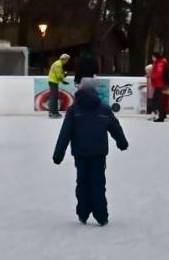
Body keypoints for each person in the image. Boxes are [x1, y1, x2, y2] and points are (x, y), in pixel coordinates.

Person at [53, 78, 129, 225]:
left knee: (82, 183)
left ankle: (83, 213)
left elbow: (65, 133)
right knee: (98, 183)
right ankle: (101, 216)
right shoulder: (104, 109)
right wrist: (122, 142)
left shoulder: (73, 110)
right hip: (98, 154)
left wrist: (58, 154)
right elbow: (115, 127)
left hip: (80, 154)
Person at [46, 53, 70, 118]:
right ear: (64, 59)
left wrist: (63, 80)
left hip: (54, 81)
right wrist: (64, 77)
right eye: (67, 60)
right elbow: (59, 75)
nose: (67, 62)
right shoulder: (58, 65)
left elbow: (59, 75)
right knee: (53, 98)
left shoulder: (59, 63)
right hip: (53, 82)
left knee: (54, 97)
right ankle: (53, 113)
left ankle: (54, 112)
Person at [150, 52, 169, 123]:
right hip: (160, 84)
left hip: (159, 84)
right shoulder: (159, 63)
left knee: (157, 101)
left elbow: (158, 73)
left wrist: (151, 77)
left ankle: (161, 116)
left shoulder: (159, 64)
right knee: (159, 100)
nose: (152, 59)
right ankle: (163, 114)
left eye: (153, 57)